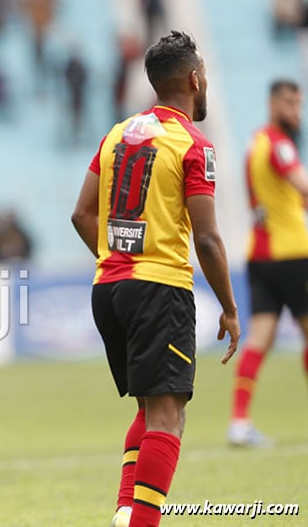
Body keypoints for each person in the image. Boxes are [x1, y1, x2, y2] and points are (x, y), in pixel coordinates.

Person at [71, 31, 240, 527]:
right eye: (204, 72)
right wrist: (229, 307)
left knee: (149, 410)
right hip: (158, 290)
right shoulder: (193, 144)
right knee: (169, 417)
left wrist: (115, 256)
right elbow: (207, 239)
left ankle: (126, 514)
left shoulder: (118, 133)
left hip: (109, 290)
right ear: (193, 78)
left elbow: (82, 214)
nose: (205, 79)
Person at [228, 79, 308, 447]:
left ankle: (240, 423)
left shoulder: (255, 142)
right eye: (291, 103)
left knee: (259, 337)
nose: (297, 112)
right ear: (273, 104)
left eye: (299, 104)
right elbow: (302, 186)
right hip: (292, 254)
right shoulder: (279, 143)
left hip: (259, 256)